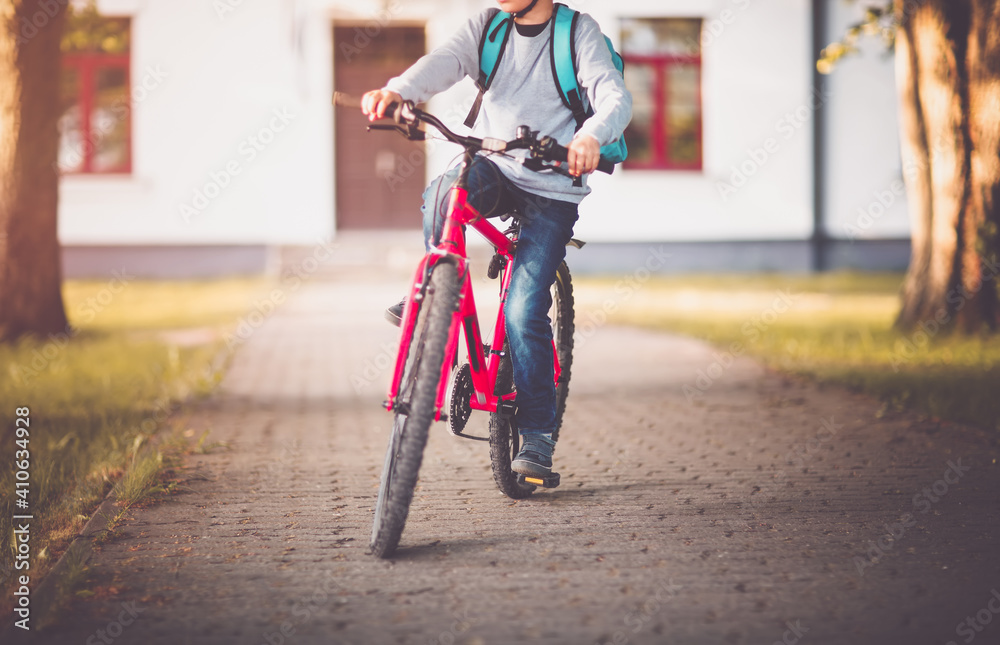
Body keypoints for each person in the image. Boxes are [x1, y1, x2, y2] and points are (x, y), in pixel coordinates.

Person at [361, 0, 631, 478]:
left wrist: (591, 136)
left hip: (552, 187)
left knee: (523, 310)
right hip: (497, 167)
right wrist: (398, 91)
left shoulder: (577, 34)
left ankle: (537, 439)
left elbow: (613, 96)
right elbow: (443, 61)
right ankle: (435, 293)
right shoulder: (488, 26)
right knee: (447, 191)